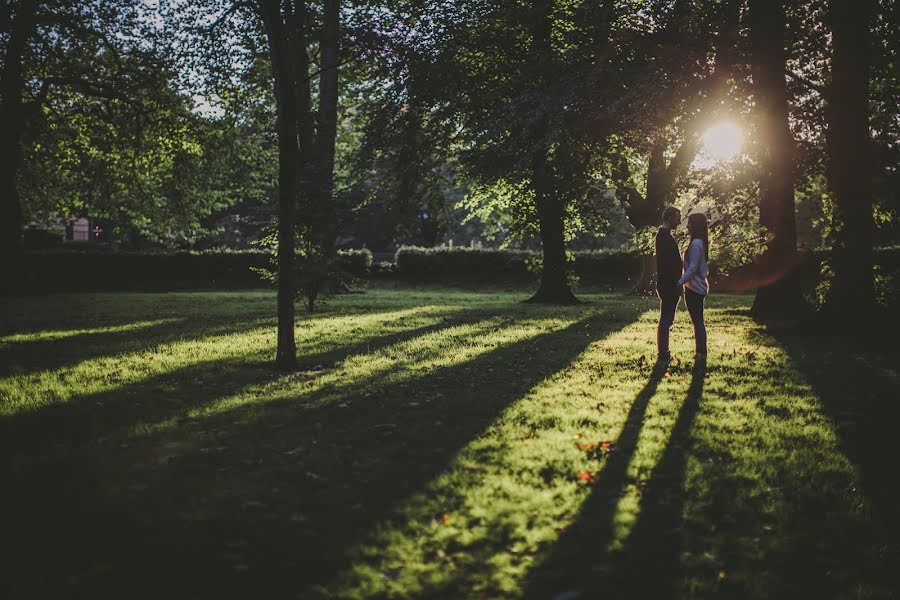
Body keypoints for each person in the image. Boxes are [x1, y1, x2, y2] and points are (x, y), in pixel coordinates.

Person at [678, 212, 710, 360]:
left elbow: (692, 268)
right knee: (697, 321)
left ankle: (701, 353)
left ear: (695, 225)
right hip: (695, 287)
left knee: (698, 321)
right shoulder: (698, 242)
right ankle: (700, 352)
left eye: (690, 223)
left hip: (695, 288)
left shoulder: (696, 243)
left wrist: (679, 282)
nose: (688, 226)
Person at [655, 206, 682, 361]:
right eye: (677, 217)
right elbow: (667, 265)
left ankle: (664, 352)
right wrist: (675, 284)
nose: (679, 221)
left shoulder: (665, 236)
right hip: (668, 284)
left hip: (669, 283)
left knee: (667, 318)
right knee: (666, 319)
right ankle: (663, 353)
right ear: (670, 218)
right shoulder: (664, 236)